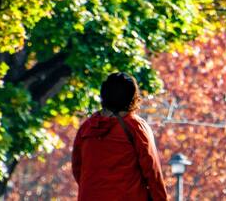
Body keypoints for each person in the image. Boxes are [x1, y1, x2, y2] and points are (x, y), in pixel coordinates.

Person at [72, 73, 170, 201]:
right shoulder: (135, 127)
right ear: (132, 97)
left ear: (103, 96)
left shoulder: (87, 127)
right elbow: (152, 173)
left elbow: (77, 168)